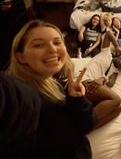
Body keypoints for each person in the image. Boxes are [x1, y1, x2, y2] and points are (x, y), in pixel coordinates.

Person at [0, 20, 96, 159]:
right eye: (38, 45)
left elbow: (85, 126)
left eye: (57, 42)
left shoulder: (53, 83)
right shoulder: (22, 94)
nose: (52, 49)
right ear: (21, 57)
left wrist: (77, 99)